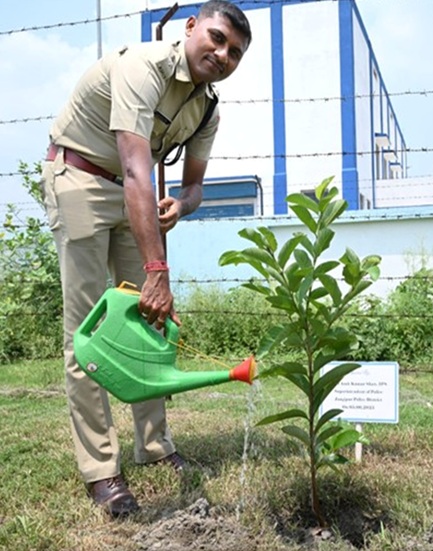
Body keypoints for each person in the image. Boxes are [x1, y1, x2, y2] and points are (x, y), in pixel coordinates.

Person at [39, 1, 251, 518]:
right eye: (217, 39)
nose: (222, 55)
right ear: (191, 27)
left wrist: (182, 203)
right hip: (81, 179)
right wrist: (159, 271)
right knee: (88, 331)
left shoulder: (207, 108)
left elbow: (194, 186)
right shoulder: (144, 66)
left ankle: (154, 446)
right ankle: (101, 471)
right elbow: (137, 169)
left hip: (131, 196)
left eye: (235, 53)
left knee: (150, 326)